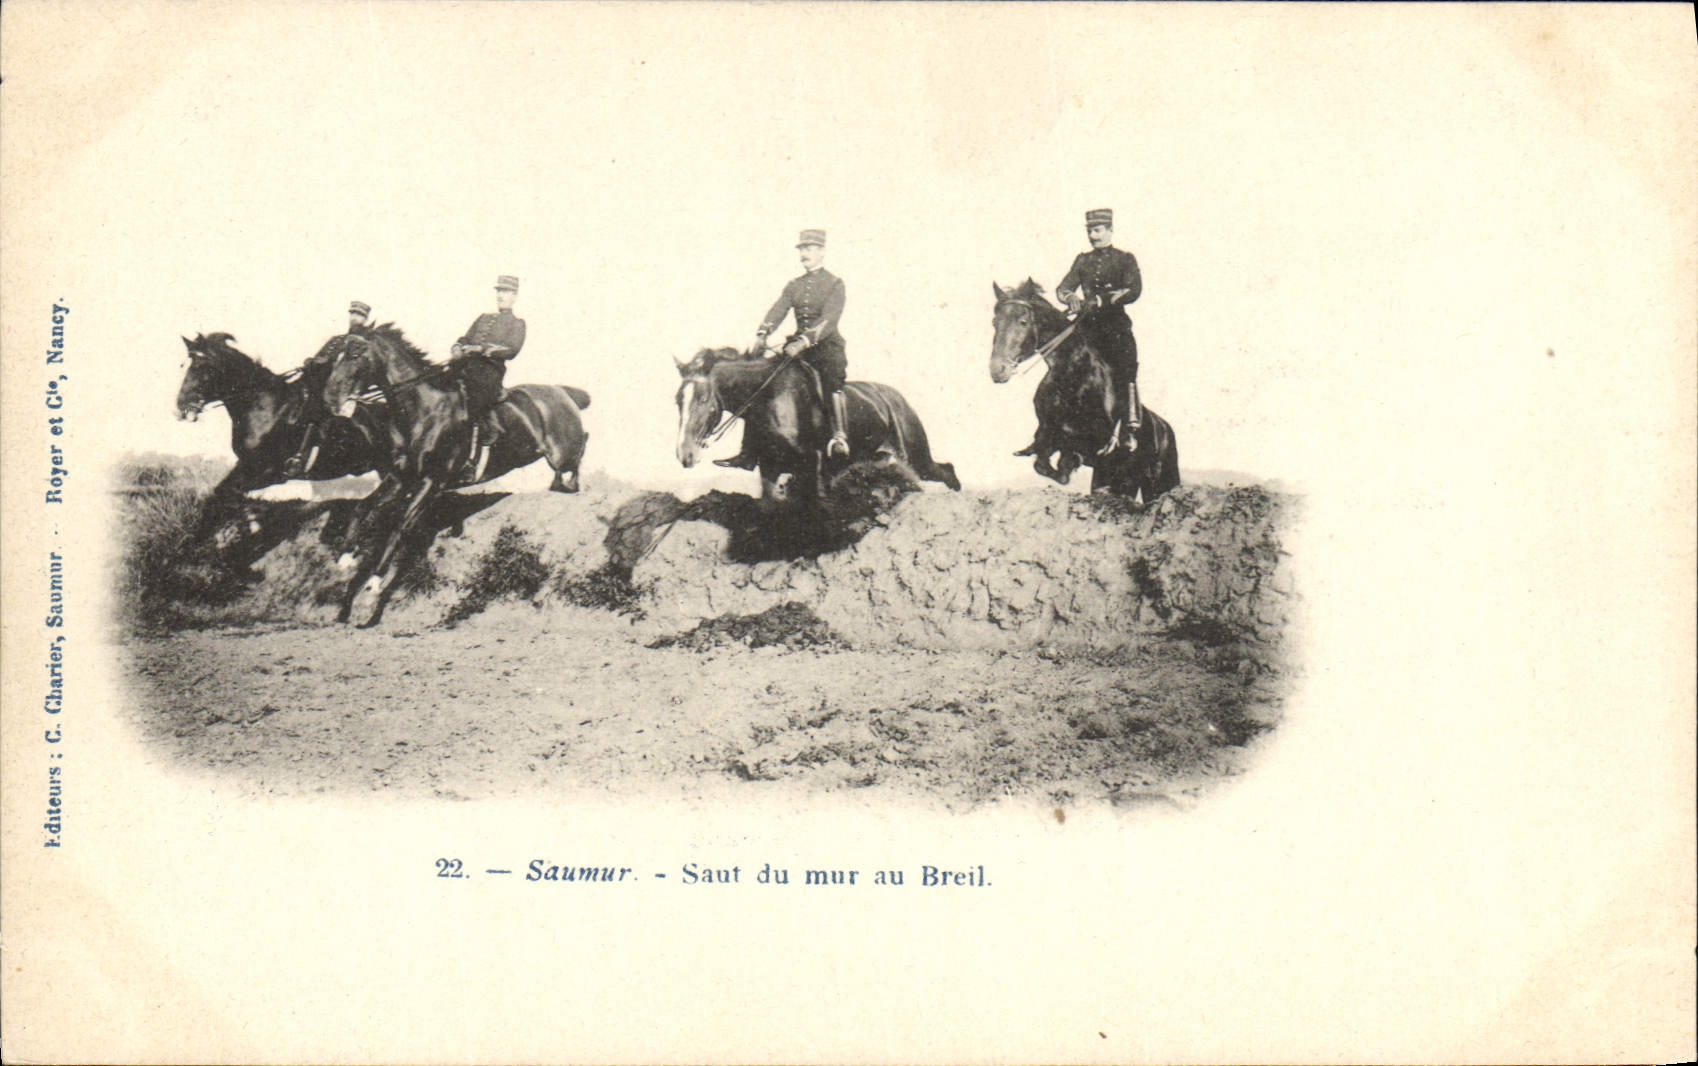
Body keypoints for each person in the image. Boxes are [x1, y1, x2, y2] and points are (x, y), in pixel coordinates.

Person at [717, 229, 848, 468]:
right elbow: (779, 309)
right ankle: (748, 453)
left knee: (831, 381)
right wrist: (762, 333)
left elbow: (830, 318)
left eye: (809, 249)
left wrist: (805, 341)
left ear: (822, 252)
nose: (804, 254)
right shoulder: (794, 285)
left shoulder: (835, 284)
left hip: (826, 348)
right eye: (802, 249)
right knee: (764, 383)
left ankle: (839, 437)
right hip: (797, 349)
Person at [1057, 208, 1143, 452]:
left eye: (1097, 230)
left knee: (1126, 370)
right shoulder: (1082, 260)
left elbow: (1133, 289)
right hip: (1087, 329)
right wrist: (1071, 297)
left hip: (1115, 329)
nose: (1093, 236)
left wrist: (1103, 301)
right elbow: (1063, 287)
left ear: (1109, 230)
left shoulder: (1125, 259)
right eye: (1089, 231)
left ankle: (1129, 427)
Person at [283, 299, 371, 478]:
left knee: (315, 408)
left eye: (360, 316)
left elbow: (361, 371)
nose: (355, 318)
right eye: (353, 314)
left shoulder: (365, 344)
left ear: (365, 319)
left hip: (339, 392)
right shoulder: (337, 340)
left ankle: (301, 455)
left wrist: (353, 396)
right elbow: (320, 359)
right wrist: (311, 363)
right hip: (321, 385)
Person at [450, 275, 526, 446]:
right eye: (499, 291)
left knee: (475, 400)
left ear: (515, 296)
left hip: (489, 372)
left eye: (506, 292)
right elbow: (465, 338)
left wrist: (481, 350)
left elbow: (511, 349)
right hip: (465, 366)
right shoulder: (483, 318)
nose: (500, 296)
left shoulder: (517, 324)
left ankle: (479, 440)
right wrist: (457, 348)